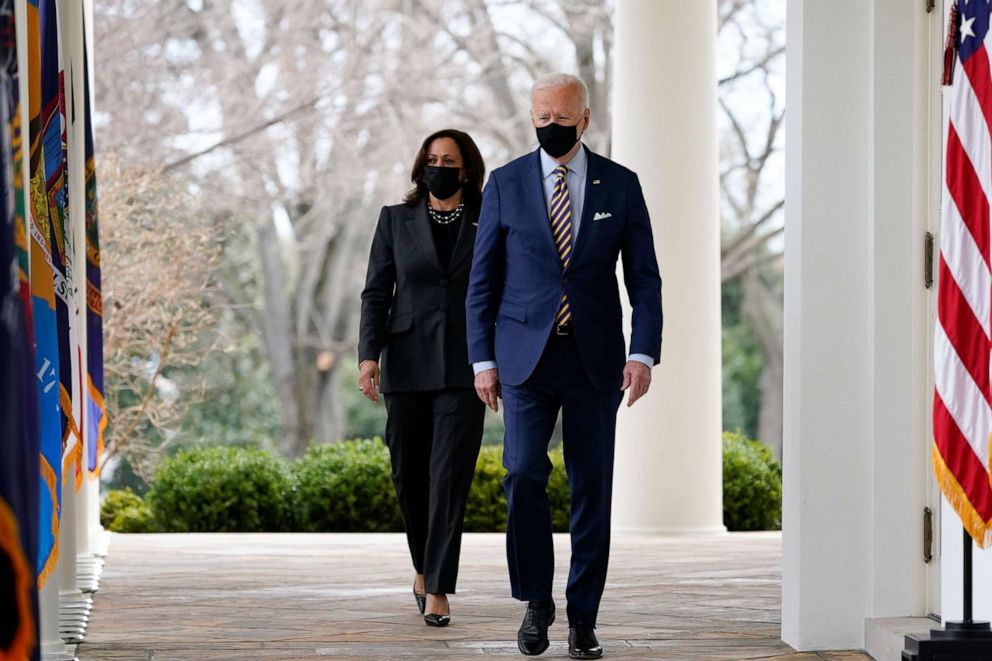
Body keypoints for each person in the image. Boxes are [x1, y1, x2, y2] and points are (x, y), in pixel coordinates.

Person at [466, 73, 663, 659]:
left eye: (561, 116)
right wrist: (482, 359)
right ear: (532, 117)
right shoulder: (504, 184)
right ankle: (536, 602)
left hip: (595, 360)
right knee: (523, 474)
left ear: (585, 117)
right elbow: (482, 282)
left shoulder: (620, 185)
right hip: (523, 359)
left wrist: (642, 351)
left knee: (591, 490)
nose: (550, 125)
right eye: (541, 116)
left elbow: (645, 278)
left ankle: (582, 617)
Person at [358, 129, 487, 628]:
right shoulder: (395, 220)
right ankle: (422, 567)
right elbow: (376, 293)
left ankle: (437, 588)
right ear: (420, 166)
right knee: (408, 476)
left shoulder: (487, 219)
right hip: (407, 363)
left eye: (449, 161)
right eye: (432, 159)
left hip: (466, 367)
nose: (439, 167)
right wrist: (369, 356)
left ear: (467, 170)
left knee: (449, 479)